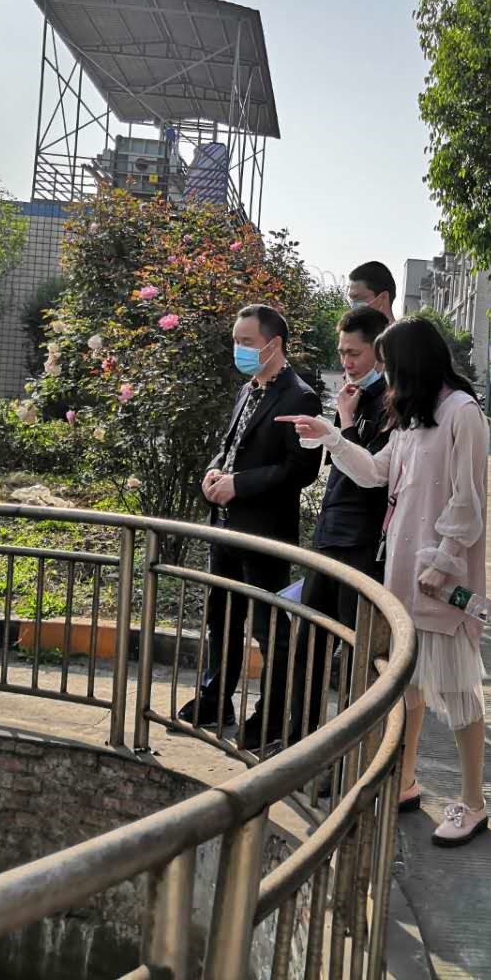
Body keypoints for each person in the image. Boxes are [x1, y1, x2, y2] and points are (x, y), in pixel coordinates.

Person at [279, 316, 491, 847]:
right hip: (403, 572)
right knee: (409, 688)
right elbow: (375, 473)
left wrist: (443, 562)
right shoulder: (412, 420)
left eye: (391, 366)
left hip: (439, 580)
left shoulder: (462, 414)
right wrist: (333, 435)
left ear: (411, 364)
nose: (387, 378)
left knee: (458, 691)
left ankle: (473, 802)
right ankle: (405, 779)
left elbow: (467, 503)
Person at [177, 304, 322, 750]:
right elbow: (231, 445)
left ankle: (270, 717)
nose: (238, 349)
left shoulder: (299, 397)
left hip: (265, 534)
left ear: (274, 344)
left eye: (247, 342)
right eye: (235, 341)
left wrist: (240, 484)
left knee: (268, 630)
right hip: (224, 527)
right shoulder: (248, 389)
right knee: (221, 621)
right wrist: (214, 471)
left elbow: (302, 469)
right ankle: (215, 699)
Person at [295, 306, 393, 733]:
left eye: (354, 353)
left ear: (379, 352)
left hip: (362, 544)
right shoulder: (349, 395)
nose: (346, 362)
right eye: (341, 353)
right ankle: (300, 738)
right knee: (308, 645)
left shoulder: (392, 403)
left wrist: (346, 424)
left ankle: (349, 750)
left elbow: (370, 474)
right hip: (330, 534)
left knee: (357, 655)